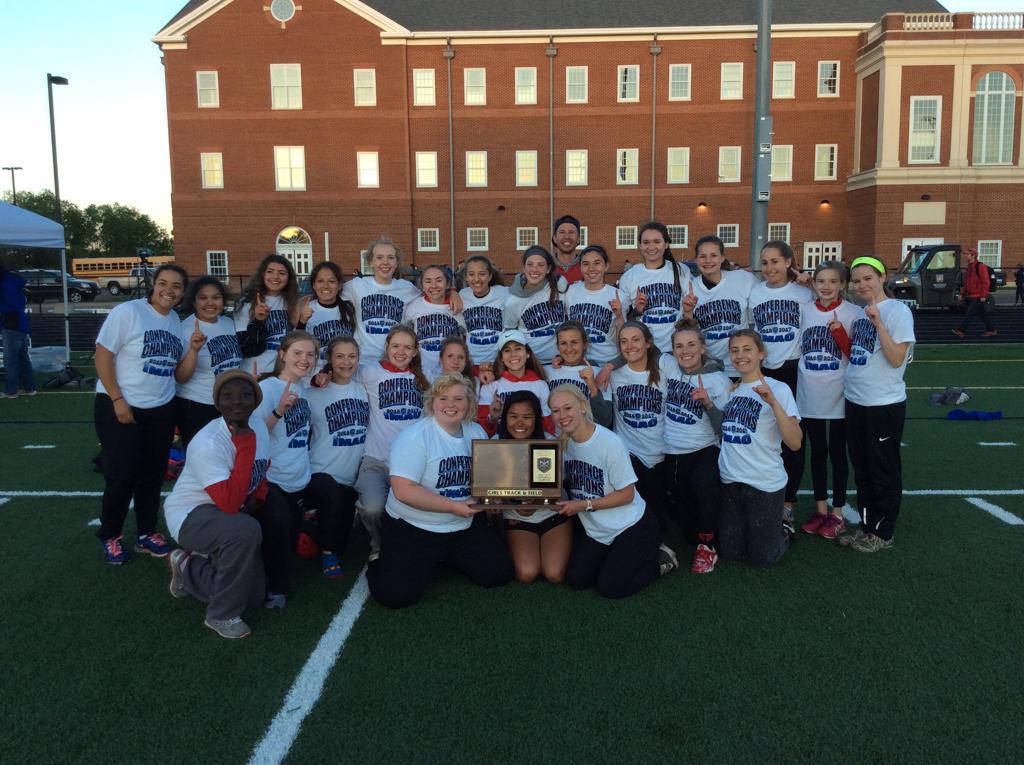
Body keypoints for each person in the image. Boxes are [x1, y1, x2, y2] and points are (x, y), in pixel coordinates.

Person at [367, 374, 514, 607]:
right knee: (394, 595)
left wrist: (492, 497)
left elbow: (485, 480)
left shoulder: (476, 431)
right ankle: (380, 560)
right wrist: (453, 506)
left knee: (498, 573)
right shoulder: (414, 437)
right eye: (443, 398)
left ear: (469, 404)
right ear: (432, 402)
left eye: (458, 399)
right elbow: (403, 490)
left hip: (462, 526)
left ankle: (446, 557)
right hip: (415, 526)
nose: (451, 405)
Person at [163, 370, 270, 639]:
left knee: (254, 597)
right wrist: (244, 444)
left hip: (222, 512)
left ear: (256, 402)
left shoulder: (258, 426)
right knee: (245, 529)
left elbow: (263, 468)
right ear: (217, 403)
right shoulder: (208, 442)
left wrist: (257, 497)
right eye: (228, 396)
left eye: (246, 395)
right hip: (191, 514)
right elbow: (231, 504)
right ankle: (221, 615)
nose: (237, 401)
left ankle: (188, 566)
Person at [93, 263, 189, 563]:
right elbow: (103, 354)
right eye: (163, 283)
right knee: (121, 477)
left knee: (151, 476)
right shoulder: (129, 312)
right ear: (153, 284)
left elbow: (176, 372)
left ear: (183, 292)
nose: (168, 290)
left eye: (176, 286)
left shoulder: (175, 321)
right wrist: (118, 399)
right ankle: (111, 535)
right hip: (121, 404)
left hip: (160, 408)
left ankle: (146, 533)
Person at [550, 385, 677, 598]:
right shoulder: (562, 442)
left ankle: (662, 561)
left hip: (632, 525)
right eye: (555, 410)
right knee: (577, 580)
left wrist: (583, 505)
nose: (561, 416)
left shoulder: (609, 442)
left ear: (582, 406)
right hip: (597, 530)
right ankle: (617, 557)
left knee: (611, 587)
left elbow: (627, 495)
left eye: (567, 408)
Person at [840, 256, 915, 553]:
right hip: (856, 401)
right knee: (862, 469)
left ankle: (883, 533)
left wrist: (879, 323)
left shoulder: (897, 311)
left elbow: (897, 358)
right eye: (857, 280)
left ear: (883, 277)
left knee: (883, 469)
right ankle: (867, 527)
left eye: (868, 278)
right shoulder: (860, 314)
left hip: (882, 404)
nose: (862, 285)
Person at [717, 329, 802, 568]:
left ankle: (784, 526)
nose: (740, 355)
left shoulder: (779, 389)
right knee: (731, 551)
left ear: (761, 354)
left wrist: (773, 403)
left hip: (764, 483)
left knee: (763, 558)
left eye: (747, 349)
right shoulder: (730, 390)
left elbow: (795, 442)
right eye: (735, 350)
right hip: (731, 482)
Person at [748, 241, 813, 527]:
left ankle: (788, 502)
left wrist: (810, 283)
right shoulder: (755, 293)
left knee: (793, 438)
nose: (769, 268)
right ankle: (763, 492)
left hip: (794, 369)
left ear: (788, 262)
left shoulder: (803, 293)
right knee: (763, 433)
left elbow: (831, 297)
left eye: (775, 261)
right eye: (764, 262)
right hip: (765, 371)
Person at [797, 261, 863, 539]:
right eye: (820, 281)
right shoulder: (804, 311)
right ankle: (820, 509)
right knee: (817, 453)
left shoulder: (853, 313)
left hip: (838, 393)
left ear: (842, 285)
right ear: (813, 284)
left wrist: (839, 334)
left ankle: (837, 512)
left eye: (832, 281)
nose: (826, 286)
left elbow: (857, 356)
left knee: (837, 454)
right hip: (809, 392)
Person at [353, 324, 430, 559]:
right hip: (376, 460)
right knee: (374, 508)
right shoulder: (369, 371)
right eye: (396, 346)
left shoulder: (424, 378)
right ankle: (378, 546)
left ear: (415, 352)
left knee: (416, 510)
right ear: (386, 347)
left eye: (408, 347)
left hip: (410, 463)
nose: (401, 352)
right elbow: (340, 373)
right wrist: (321, 375)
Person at [662, 320, 731, 573]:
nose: (685, 350)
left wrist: (709, 405)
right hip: (671, 452)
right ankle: (698, 535)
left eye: (691, 344)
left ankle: (708, 546)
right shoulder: (669, 366)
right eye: (679, 346)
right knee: (686, 527)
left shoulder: (718, 380)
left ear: (703, 348)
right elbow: (635, 347)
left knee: (703, 487)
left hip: (703, 450)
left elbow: (726, 429)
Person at [254, 330, 317, 607]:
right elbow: (253, 436)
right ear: (282, 355)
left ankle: (276, 578)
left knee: (290, 534)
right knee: (277, 530)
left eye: (310, 354)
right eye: (297, 353)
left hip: (298, 476)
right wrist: (278, 411)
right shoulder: (266, 390)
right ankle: (273, 588)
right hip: (273, 477)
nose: (304, 359)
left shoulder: (306, 389)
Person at [305, 336, 368, 578]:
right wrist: (315, 376)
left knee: (343, 542)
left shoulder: (363, 389)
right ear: (329, 359)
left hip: (350, 478)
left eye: (352, 356)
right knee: (333, 496)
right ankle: (326, 551)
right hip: (319, 473)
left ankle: (313, 526)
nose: (346, 361)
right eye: (339, 356)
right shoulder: (313, 391)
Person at [496, 390, 572, 583]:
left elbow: (558, 488)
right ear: (505, 418)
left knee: (554, 574)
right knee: (527, 573)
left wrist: (537, 499)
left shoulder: (549, 442)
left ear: (536, 419)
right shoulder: (495, 445)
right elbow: (488, 488)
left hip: (551, 513)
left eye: (527, 417)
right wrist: (499, 500)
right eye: (513, 416)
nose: (519, 423)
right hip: (516, 516)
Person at [608, 321, 669, 530]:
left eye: (636, 340)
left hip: (660, 454)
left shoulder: (664, 372)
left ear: (648, 343)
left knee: (657, 514)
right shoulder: (615, 376)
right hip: (629, 455)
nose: (629, 346)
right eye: (623, 341)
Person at [174, 276, 244, 447]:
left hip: (229, 404)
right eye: (203, 298)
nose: (210, 303)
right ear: (193, 301)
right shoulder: (184, 329)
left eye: (216, 297)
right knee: (202, 461)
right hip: (197, 406)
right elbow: (181, 377)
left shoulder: (229, 323)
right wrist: (194, 350)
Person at [683, 235, 757, 377]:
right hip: (710, 368)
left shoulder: (742, 279)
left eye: (713, 255)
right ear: (696, 259)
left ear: (723, 258)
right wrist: (688, 313)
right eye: (703, 256)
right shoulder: (689, 288)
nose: (708, 261)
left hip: (742, 365)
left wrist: (796, 280)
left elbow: (770, 294)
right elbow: (688, 332)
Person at [342, 236, 423, 362]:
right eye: (379, 257)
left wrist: (452, 294)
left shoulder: (407, 288)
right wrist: (305, 300)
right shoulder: (357, 285)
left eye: (390, 257)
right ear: (370, 262)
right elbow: (329, 292)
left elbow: (431, 298)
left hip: (395, 360)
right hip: (364, 360)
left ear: (396, 262)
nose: (385, 262)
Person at [617, 221, 691, 354]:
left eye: (657, 241)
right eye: (646, 242)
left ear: (666, 244)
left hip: (675, 349)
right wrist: (637, 310)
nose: (651, 246)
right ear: (639, 245)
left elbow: (690, 314)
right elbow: (625, 321)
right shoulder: (629, 277)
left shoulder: (681, 270)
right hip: (644, 350)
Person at [477, 329, 552, 435]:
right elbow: (482, 430)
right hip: (499, 445)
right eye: (507, 350)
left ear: (527, 353)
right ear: (501, 358)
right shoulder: (490, 386)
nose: (513, 354)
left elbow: (547, 426)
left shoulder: (541, 385)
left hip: (532, 443)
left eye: (518, 348)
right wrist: (493, 418)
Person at [234, 254, 299, 375]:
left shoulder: (292, 303)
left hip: (284, 372)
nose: (275, 276)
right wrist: (258, 321)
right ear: (262, 274)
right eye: (270, 271)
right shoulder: (247, 303)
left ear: (288, 278)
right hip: (256, 372)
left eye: (282, 273)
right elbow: (246, 349)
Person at [503, 246, 568, 365]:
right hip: (531, 363)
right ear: (524, 267)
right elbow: (510, 335)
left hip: (561, 360)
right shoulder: (512, 301)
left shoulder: (560, 285)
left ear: (548, 269)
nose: (534, 269)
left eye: (541, 265)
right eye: (530, 264)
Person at [543, 321, 613, 428]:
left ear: (585, 344)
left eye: (574, 342)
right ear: (557, 346)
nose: (569, 348)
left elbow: (605, 420)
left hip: (583, 440)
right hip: (553, 440)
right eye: (563, 343)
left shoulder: (599, 373)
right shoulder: (546, 371)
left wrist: (593, 388)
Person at [565, 244, 625, 365]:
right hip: (578, 361)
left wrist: (619, 316)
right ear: (580, 267)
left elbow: (622, 337)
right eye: (586, 264)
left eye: (597, 263)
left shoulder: (619, 295)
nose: (591, 268)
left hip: (608, 361)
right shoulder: (571, 291)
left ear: (606, 266)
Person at [404, 265, 466, 380]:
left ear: (447, 284)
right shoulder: (413, 306)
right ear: (422, 286)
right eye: (428, 281)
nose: (433, 286)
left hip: (451, 373)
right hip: (423, 373)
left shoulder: (457, 306)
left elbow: (465, 340)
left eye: (439, 280)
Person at [296, 261, 356, 366]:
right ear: (314, 285)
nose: (326, 286)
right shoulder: (307, 308)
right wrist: (302, 322)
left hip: (345, 370)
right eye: (320, 281)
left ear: (339, 285)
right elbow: (297, 345)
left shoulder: (349, 308)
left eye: (331, 281)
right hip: (317, 372)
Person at [458, 255, 508, 374]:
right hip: (472, 361)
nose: (476, 279)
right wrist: (453, 293)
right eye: (471, 274)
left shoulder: (504, 293)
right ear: (465, 277)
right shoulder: (462, 295)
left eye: (482, 274)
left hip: (498, 361)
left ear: (490, 276)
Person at [0, 263, 36, 399]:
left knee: (11, 359)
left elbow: (11, 305)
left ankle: (12, 390)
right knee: (22, 358)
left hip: (12, 324)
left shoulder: (6, 283)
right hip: (19, 323)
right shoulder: (13, 280)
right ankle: (29, 387)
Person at [953, 247, 996, 338]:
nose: (965, 256)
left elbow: (986, 282)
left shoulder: (980, 266)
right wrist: (962, 293)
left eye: (967, 254)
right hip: (972, 295)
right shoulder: (970, 267)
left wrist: (984, 295)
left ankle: (961, 330)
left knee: (970, 313)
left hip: (978, 295)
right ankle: (991, 330)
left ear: (973, 255)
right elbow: (967, 283)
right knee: (982, 314)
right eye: (964, 254)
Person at [550, 214, 584, 284]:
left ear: (578, 239)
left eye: (571, 232)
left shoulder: (587, 267)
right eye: (562, 232)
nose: (567, 236)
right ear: (554, 238)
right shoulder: (546, 266)